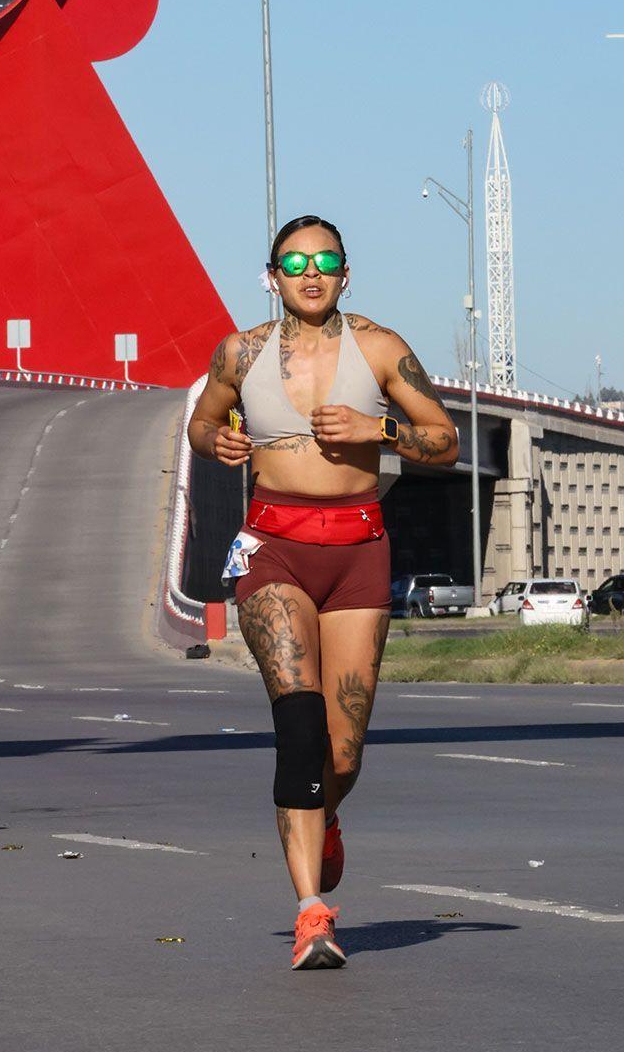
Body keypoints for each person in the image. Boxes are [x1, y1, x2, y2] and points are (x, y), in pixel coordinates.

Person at [188, 215, 458, 970]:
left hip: (359, 553)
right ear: (271, 274)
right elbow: (203, 423)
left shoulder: (380, 348)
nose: (312, 273)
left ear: (346, 274)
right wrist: (219, 441)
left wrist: (382, 432)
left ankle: (322, 815)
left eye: (326, 261)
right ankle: (313, 912)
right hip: (273, 551)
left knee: (342, 752)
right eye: (295, 262)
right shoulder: (240, 352)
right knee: (300, 730)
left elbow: (445, 438)